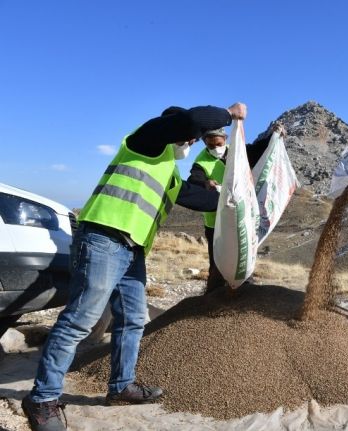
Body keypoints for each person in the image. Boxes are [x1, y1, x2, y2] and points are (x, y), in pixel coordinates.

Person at [22, 103, 247, 431]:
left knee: (132, 321)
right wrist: (229, 115)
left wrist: (242, 199)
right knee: (79, 321)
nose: (192, 143)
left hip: (132, 251)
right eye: (189, 138)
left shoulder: (169, 170)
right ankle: (42, 398)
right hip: (103, 239)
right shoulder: (145, 141)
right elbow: (194, 120)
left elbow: (202, 200)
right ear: (174, 130)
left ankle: (121, 388)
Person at [187, 122, 285, 293]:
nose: (215, 147)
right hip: (215, 223)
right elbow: (193, 179)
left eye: (218, 144)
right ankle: (213, 295)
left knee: (244, 255)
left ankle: (245, 290)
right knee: (218, 261)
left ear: (225, 139)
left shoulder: (237, 152)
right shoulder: (201, 161)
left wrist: (273, 135)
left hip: (241, 217)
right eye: (210, 145)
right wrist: (205, 183)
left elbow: (258, 149)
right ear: (205, 143)